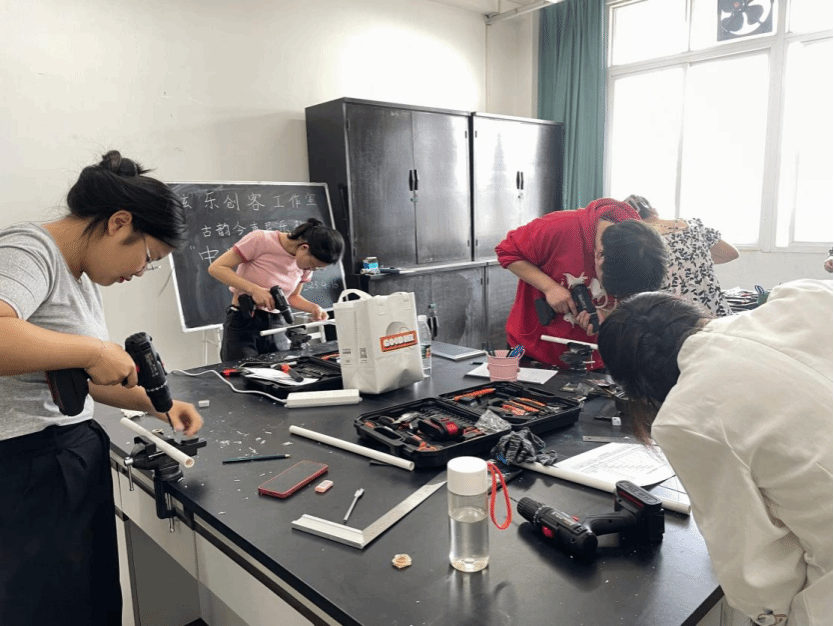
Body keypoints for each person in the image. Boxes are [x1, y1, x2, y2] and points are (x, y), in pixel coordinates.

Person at [0, 150, 204, 625]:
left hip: (65, 457)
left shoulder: (81, 273)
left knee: (90, 605)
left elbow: (77, 378)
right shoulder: (28, 250)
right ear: (118, 222)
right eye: (149, 257)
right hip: (24, 470)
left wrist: (159, 405)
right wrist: (94, 351)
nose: (141, 272)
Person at [598, 280, 833, 626]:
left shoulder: (686, 415)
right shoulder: (805, 297)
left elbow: (754, 565)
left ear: (639, 390)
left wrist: (769, 614)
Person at [495, 198, 668, 368]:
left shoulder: (643, 249)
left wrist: (608, 314)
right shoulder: (558, 227)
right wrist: (549, 287)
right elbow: (507, 251)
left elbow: (634, 303)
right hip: (533, 350)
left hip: (595, 357)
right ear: (599, 256)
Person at [209, 217, 344, 361]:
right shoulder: (261, 240)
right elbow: (217, 268)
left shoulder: (305, 265)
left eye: (317, 269)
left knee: (280, 369)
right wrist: (254, 290)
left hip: (277, 324)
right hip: (244, 320)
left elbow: (292, 297)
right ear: (304, 248)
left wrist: (313, 308)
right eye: (313, 265)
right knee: (241, 370)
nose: (311, 269)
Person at [624, 194, 739, 316]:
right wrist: (692, 262)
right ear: (654, 210)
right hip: (718, 314)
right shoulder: (693, 225)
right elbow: (731, 253)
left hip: (678, 320)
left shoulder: (639, 241)